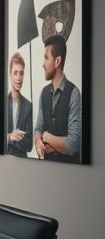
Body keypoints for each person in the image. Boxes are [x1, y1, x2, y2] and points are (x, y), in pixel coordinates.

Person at [34, 35, 82, 163]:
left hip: (70, 174)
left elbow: (73, 144)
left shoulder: (74, 93)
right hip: (47, 170)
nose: (43, 64)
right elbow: (38, 128)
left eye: (46, 58)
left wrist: (47, 137)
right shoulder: (43, 93)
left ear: (57, 61)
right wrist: (38, 141)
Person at [5, 52, 34, 157]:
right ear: (10, 74)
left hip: (22, 162)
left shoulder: (28, 106)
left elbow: (29, 144)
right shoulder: (1, 104)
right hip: (3, 160)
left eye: (21, 73)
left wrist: (10, 139)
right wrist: (10, 136)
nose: (18, 78)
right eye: (15, 73)